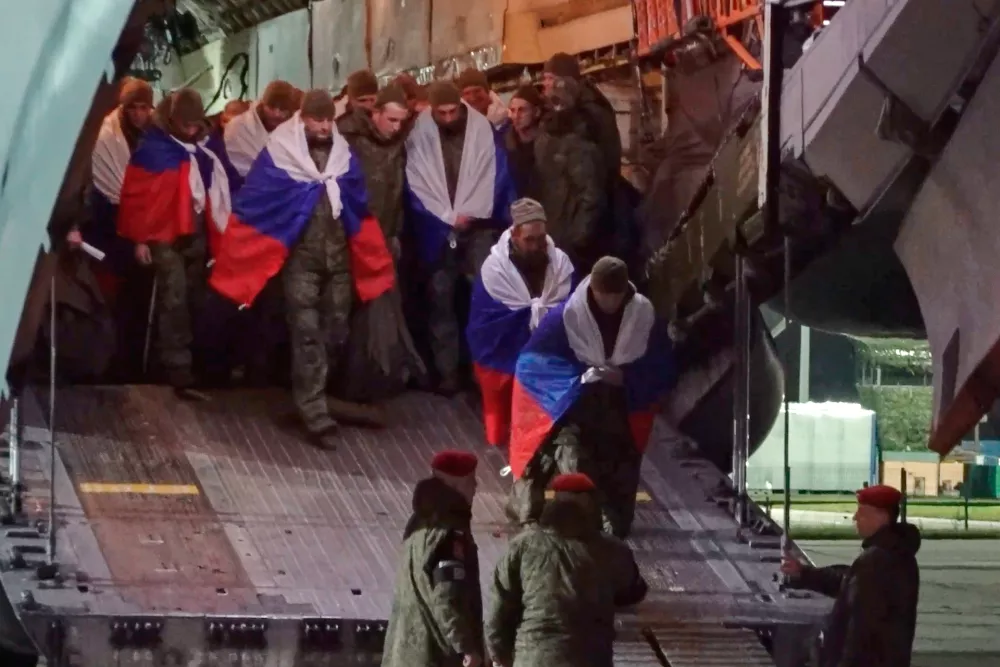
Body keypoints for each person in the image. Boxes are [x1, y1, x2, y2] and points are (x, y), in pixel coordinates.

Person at [209, 89, 395, 449]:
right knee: (307, 332)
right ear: (304, 119)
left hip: (338, 260)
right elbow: (258, 201)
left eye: (328, 120)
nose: (324, 127)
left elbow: (358, 203)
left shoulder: (343, 156)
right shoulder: (281, 154)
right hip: (301, 262)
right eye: (317, 120)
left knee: (335, 330)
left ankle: (314, 394)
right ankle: (314, 412)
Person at [506, 257, 676, 537]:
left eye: (614, 296)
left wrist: (627, 379)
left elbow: (661, 367)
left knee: (620, 498)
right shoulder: (566, 317)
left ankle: (611, 517)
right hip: (574, 406)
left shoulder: (644, 318)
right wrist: (578, 378)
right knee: (571, 459)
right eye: (602, 295)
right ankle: (561, 514)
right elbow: (534, 362)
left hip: (619, 407)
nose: (608, 302)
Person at [117, 88, 232, 398]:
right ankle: (175, 370)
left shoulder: (205, 150)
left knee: (194, 299)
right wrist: (140, 240)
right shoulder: (153, 149)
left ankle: (190, 363)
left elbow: (218, 192)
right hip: (162, 235)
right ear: (172, 120)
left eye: (196, 125)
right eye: (186, 126)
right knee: (174, 296)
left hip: (195, 234)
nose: (192, 131)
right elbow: (139, 198)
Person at [404, 80, 517, 395]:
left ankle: (482, 373)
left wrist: (475, 213)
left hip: (480, 230)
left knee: (482, 301)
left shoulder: (484, 134)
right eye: (443, 113)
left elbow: (498, 177)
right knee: (440, 303)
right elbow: (414, 184)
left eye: (454, 111)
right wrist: (445, 217)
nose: (450, 118)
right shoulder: (419, 136)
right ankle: (448, 374)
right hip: (439, 230)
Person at [486, 473, 647, 667]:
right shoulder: (613, 549)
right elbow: (634, 592)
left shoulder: (523, 546)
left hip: (534, 657)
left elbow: (500, 606)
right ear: (591, 503)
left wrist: (498, 654)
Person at [335, 84, 426, 402]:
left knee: (375, 313)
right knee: (343, 311)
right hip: (352, 237)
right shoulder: (347, 139)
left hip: (383, 240)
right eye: (391, 120)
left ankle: (367, 381)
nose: (396, 127)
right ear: (375, 114)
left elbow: (397, 194)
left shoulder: (397, 145)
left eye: (402, 121)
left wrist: (395, 234)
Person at [466, 198, 574, 446]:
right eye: (529, 240)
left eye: (541, 239)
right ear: (514, 235)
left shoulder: (561, 267)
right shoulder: (494, 272)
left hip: (543, 352)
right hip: (502, 350)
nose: (537, 246)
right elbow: (485, 322)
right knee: (499, 429)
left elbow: (570, 310)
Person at [781, 484, 920, 667]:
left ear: (881, 517)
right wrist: (804, 573)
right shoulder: (894, 554)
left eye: (862, 513)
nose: (855, 518)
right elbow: (848, 581)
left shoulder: (877, 562)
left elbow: (862, 635)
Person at [382, 450, 485, 667]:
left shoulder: (419, 521)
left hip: (404, 651)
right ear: (456, 487)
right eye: (471, 482)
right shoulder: (449, 534)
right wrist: (466, 647)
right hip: (432, 654)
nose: (476, 487)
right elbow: (446, 596)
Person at [534, 76, 604, 273]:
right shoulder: (545, 138)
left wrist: (578, 240)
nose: (557, 107)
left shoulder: (580, 143)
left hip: (567, 243)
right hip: (549, 236)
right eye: (553, 102)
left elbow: (591, 196)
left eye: (561, 102)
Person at [224, 80, 300, 186]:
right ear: (263, 104)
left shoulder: (298, 131)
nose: (276, 114)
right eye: (272, 107)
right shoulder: (238, 127)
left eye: (283, 109)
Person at [502, 85, 544, 201]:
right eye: (513, 110)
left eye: (522, 110)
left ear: (536, 112)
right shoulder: (506, 145)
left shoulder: (550, 144)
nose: (516, 116)